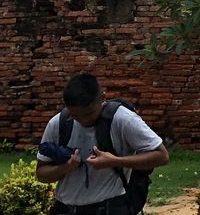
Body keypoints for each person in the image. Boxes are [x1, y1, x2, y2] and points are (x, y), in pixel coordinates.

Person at [35, 73, 169, 215]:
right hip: (65, 209)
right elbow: (41, 174)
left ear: (102, 98)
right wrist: (65, 168)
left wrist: (114, 161)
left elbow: (161, 156)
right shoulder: (59, 123)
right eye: (75, 116)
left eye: (89, 114)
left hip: (109, 208)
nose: (83, 121)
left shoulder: (123, 119)